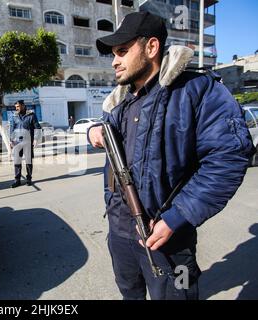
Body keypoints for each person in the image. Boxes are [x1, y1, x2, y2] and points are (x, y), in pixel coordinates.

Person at [88, 12, 254, 300]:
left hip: (170, 241)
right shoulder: (117, 102)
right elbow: (109, 136)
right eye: (113, 54)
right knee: (130, 293)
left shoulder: (197, 91)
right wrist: (94, 131)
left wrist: (177, 217)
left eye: (123, 51)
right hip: (120, 236)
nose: (115, 61)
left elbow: (228, 157)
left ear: (151, 48)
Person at [10, 100, 41, 188]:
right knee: (17, 162)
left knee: (28, 162)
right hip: (17, 142)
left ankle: (28, 179)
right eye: (16, 107)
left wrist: (35, 139)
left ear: (23, 106)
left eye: (18, 106)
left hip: (28, 142)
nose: (16, 108)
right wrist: (11, 140)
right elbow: (12, 129)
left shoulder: (31, 115)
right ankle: (17, 180)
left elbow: (37, 128)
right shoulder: (14, 116)